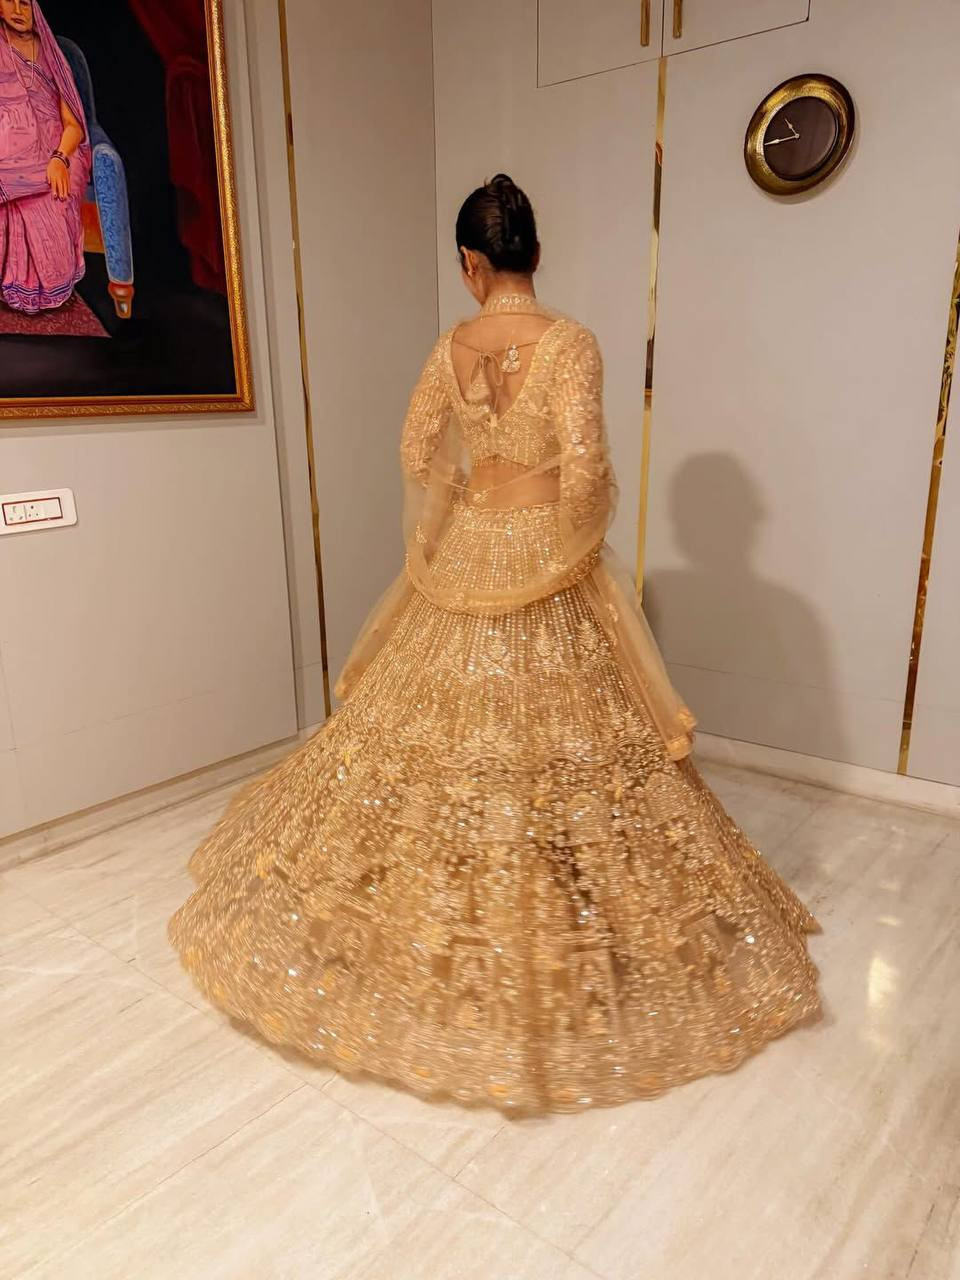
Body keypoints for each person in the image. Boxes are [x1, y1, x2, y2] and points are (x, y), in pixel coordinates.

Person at [169, 174, 821, 1113]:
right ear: (533, 255)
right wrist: (571, 547)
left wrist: (441, 533)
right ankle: (568, 913)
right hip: (549, 552)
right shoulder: (573, 342)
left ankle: (445, 912)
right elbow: (587, 468)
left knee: (444, 737)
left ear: (470, 263)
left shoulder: (450, 347)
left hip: (471, 545)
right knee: (569, 744)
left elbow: (415, 453)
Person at [0, 0, 89, 313]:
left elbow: (74, 126)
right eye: (9, 0)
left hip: (58, 147)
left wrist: (59, 159)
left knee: (50, 199)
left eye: (25, 2)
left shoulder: (52, 54)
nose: (18, 9)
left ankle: (43, 289)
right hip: (7, 150)